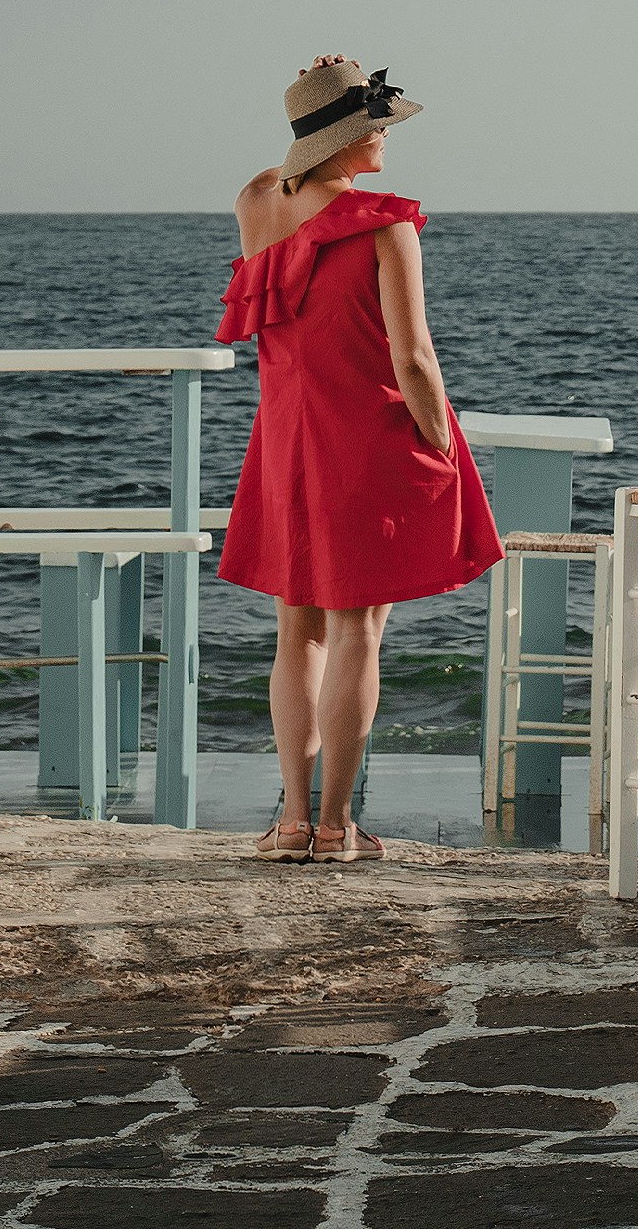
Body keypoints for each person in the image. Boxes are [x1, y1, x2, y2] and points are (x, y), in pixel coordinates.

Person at [217, 53, 502, 860]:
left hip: (284, 442)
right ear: (345, 135)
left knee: (295, 634)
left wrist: (320, 100)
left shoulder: (254, 203)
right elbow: (414, 359)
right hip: (365, 440)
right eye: (374, 123)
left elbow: (282, 174)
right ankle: (338, 827)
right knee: (358, 633)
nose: (385, 134)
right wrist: (441, 440)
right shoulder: (385, 222)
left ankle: (291, 823)